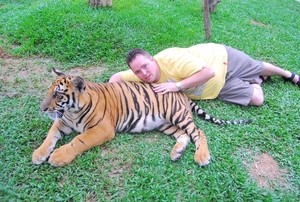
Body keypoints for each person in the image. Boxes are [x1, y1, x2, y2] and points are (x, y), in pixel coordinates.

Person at [109, 43, 299, 106]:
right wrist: (109, 95)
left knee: (257, 66)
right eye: (138, 71)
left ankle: (289, 75)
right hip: (217, 88)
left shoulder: (172, 59)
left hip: (223, 59)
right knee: (257, 100)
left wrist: (177, 86)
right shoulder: (139, 74)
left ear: (152, 59)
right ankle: (257, 81)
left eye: (145, 66)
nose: (143, 73)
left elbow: (208, 72)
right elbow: (117, 77)